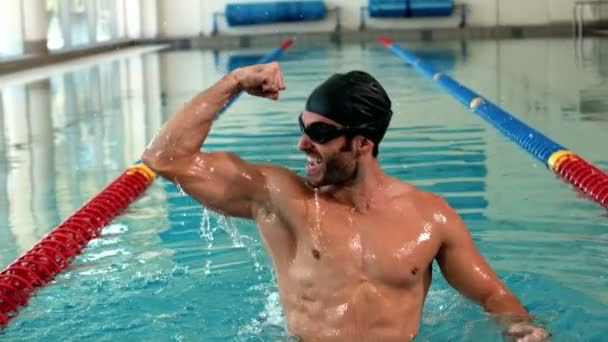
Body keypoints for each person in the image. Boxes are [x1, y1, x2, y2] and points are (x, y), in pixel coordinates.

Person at [142, 62, 550, 341]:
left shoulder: (431, 216)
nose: (303, 143)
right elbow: (165, 158)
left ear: (362, 143)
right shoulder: (279, 198)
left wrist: (518, 326)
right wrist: (232, 82)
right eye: (302, 127)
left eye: (319, 133)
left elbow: (493, 295)